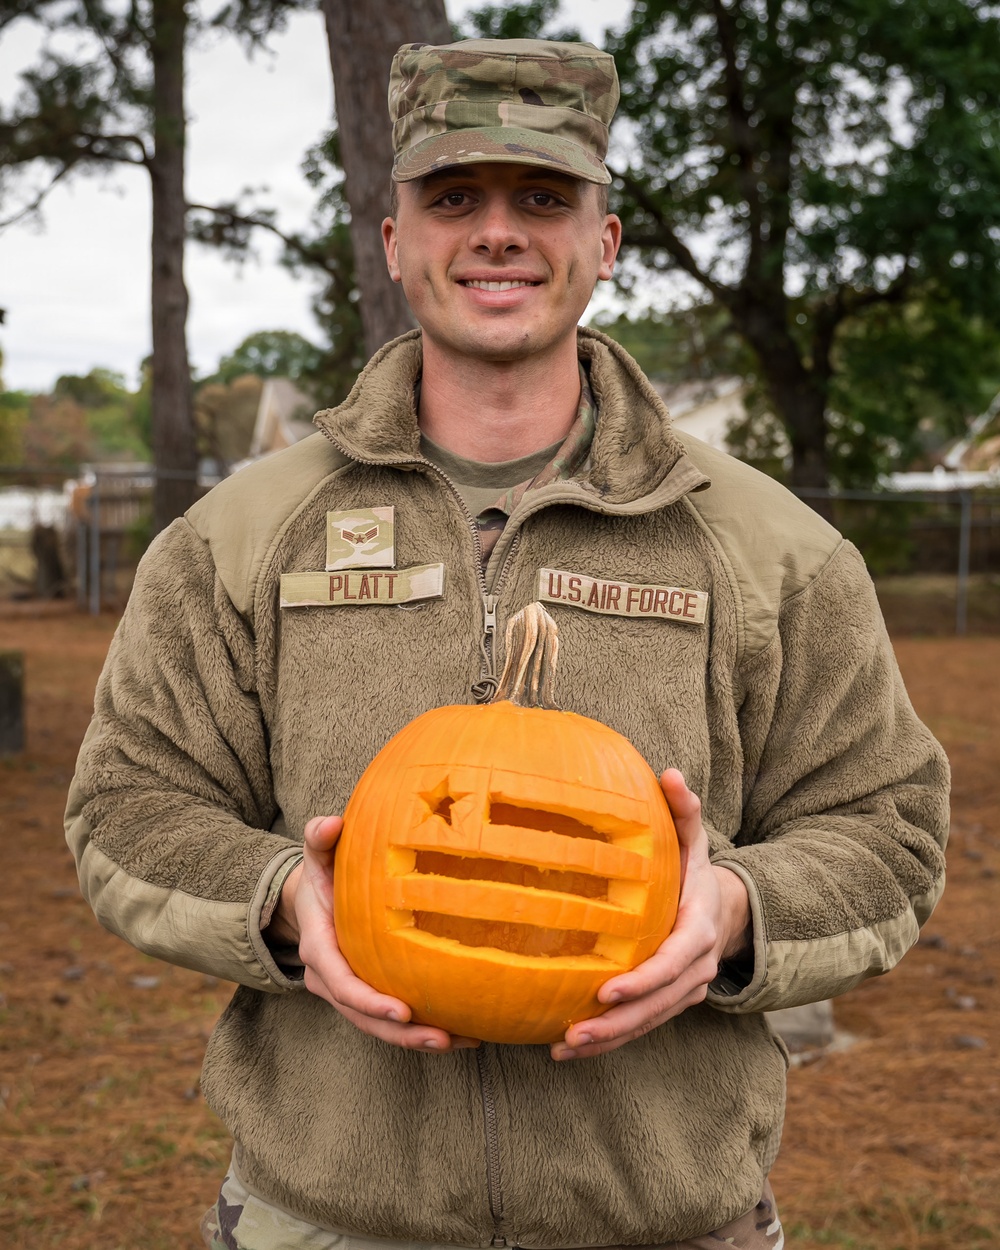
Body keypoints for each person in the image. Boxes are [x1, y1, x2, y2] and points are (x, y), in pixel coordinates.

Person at [65, 37, 949, 1250]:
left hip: (667, 1221)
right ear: (392, 242)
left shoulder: (768, 549)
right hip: (321, 1220)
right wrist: (283, 899)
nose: (496, 233)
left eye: (542, 198)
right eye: (451, 198)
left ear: (605, 243)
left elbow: (888, 827)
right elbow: (126, 802)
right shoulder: (242, 538)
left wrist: (737, 908)